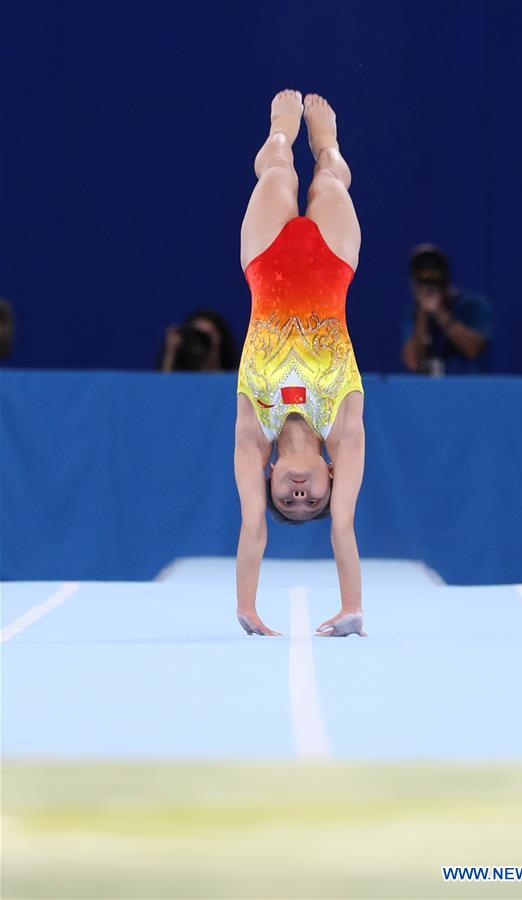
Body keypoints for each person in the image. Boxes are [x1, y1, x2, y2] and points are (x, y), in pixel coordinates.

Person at [234, 90, 366, 637]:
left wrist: (246, 608)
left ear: (269, 478)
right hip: (332, 264)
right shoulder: (343, 430)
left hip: (264, 262)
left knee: (277, 174)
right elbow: (343, 528)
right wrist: (352, 607)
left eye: (287, 500)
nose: (298, 496)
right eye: (311, 499)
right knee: (329, 180)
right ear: (330, 477)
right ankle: (330, 143)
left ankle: (282, 134)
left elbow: (251, 526)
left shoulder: (252, 432)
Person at [401, 245, 493, 374]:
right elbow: (413, 362)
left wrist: (440, 313)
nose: (429, 283)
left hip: (469, 389)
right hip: (428, 390)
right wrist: (423, 313)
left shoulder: (472, 305)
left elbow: (473, 349)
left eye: (434, 273)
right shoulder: (414, 313)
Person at [158, 309, 239, 371]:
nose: (202, 340)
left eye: (208, 335)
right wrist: (170, 353)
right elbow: (161, 388)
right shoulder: (181, 379)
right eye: (198, 334)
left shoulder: (236, 376)